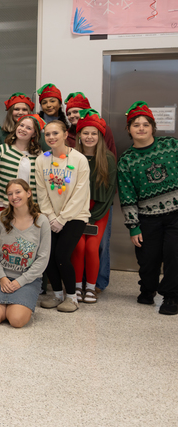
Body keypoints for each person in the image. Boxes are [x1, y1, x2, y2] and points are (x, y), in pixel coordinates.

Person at [117, 101, 178, 315]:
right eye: (136, 125)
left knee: (174, 254)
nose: (141, 128)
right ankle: (148, 289)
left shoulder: (172, 146)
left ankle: (171, 296)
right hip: (147, 218)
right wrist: (133, 226)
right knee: (148, 259)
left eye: (145, 124)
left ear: (153, 127)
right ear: (129, 129)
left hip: (175, 215)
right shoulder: (126, 161)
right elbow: (127, 196)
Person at [64, 92, 117, 292]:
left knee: (93, 247)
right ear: (78, 136)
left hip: (99, 211)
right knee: (78, 247)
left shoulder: (108, 159)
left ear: (101, 136)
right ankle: (77, 287)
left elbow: (110, 191)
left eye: (94, 134)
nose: (89, 137)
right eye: (85, 133)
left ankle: (91, 287)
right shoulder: (72, 157)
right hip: (77, 210)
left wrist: (92, 217)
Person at [36, 120, 90, 313]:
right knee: (48, 256)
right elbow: (41, 192)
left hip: (75, 216)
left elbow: (80, 193)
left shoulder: (79, 159)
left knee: (61, 255)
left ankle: (72, 298)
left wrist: (62, 218)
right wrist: (51, 217)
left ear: (66, 134)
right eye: (47, 134)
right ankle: (57, 295)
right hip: (51, 217)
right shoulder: (42, 160)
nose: (51, 137)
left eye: (55, 133)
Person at [0, 179, 51, 328]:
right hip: (0, 276)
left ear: (28, 193)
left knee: (16, 320)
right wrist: (2, 277)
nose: (14, 197)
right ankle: (6, 304)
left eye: (18, 192)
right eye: (10, 194)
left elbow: (43, 258)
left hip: (27, 279)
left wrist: (20, 282)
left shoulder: (42, 221)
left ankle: (19, 305)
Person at [0, 115, 43, 219]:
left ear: (34, 134)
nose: (23, 129)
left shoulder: (39, 155)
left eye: (28, 128)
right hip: (3, 206)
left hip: (29, 209)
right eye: (21, 125)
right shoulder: (2, 150)